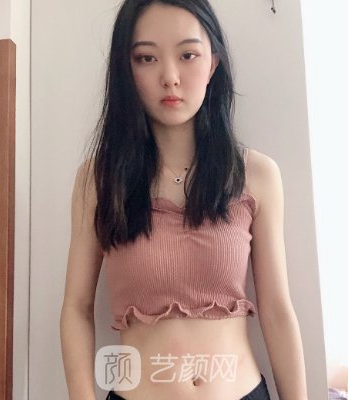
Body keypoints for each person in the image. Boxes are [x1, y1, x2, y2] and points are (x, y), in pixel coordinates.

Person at [60, 1, 309, 399]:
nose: (170, 77)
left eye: (188, 55)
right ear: (127, 69)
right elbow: (76, 307)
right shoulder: (99, 179)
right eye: (147, 58)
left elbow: (277, 311)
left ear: (213, 64)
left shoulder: (256, 175)